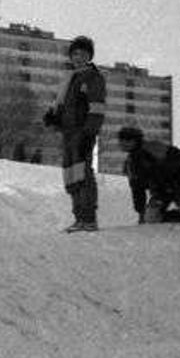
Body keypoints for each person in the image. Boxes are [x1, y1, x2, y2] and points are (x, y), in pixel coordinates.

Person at [43, 35, 106, 232]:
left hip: (82, 132)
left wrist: (89, 134)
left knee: (82, 174)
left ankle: (88, 219)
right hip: (68, 133)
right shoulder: (70, 78)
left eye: (83, 53)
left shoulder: (93, 77)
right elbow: (65, 107)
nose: (78, 57)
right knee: (71, 175)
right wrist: (54, 117)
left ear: (90, 56)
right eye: (75, 53)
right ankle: (79, 218)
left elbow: (96, 109)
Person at [117, 126, 180, 224]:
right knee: (150, 218)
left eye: (128, 140)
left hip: (177, 185)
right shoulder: (131, 163)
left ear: (136, 140)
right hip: (159, 192)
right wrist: (141, 212)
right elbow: (137, 188)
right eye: (121, 140)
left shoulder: (153, 147)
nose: (124, 143)